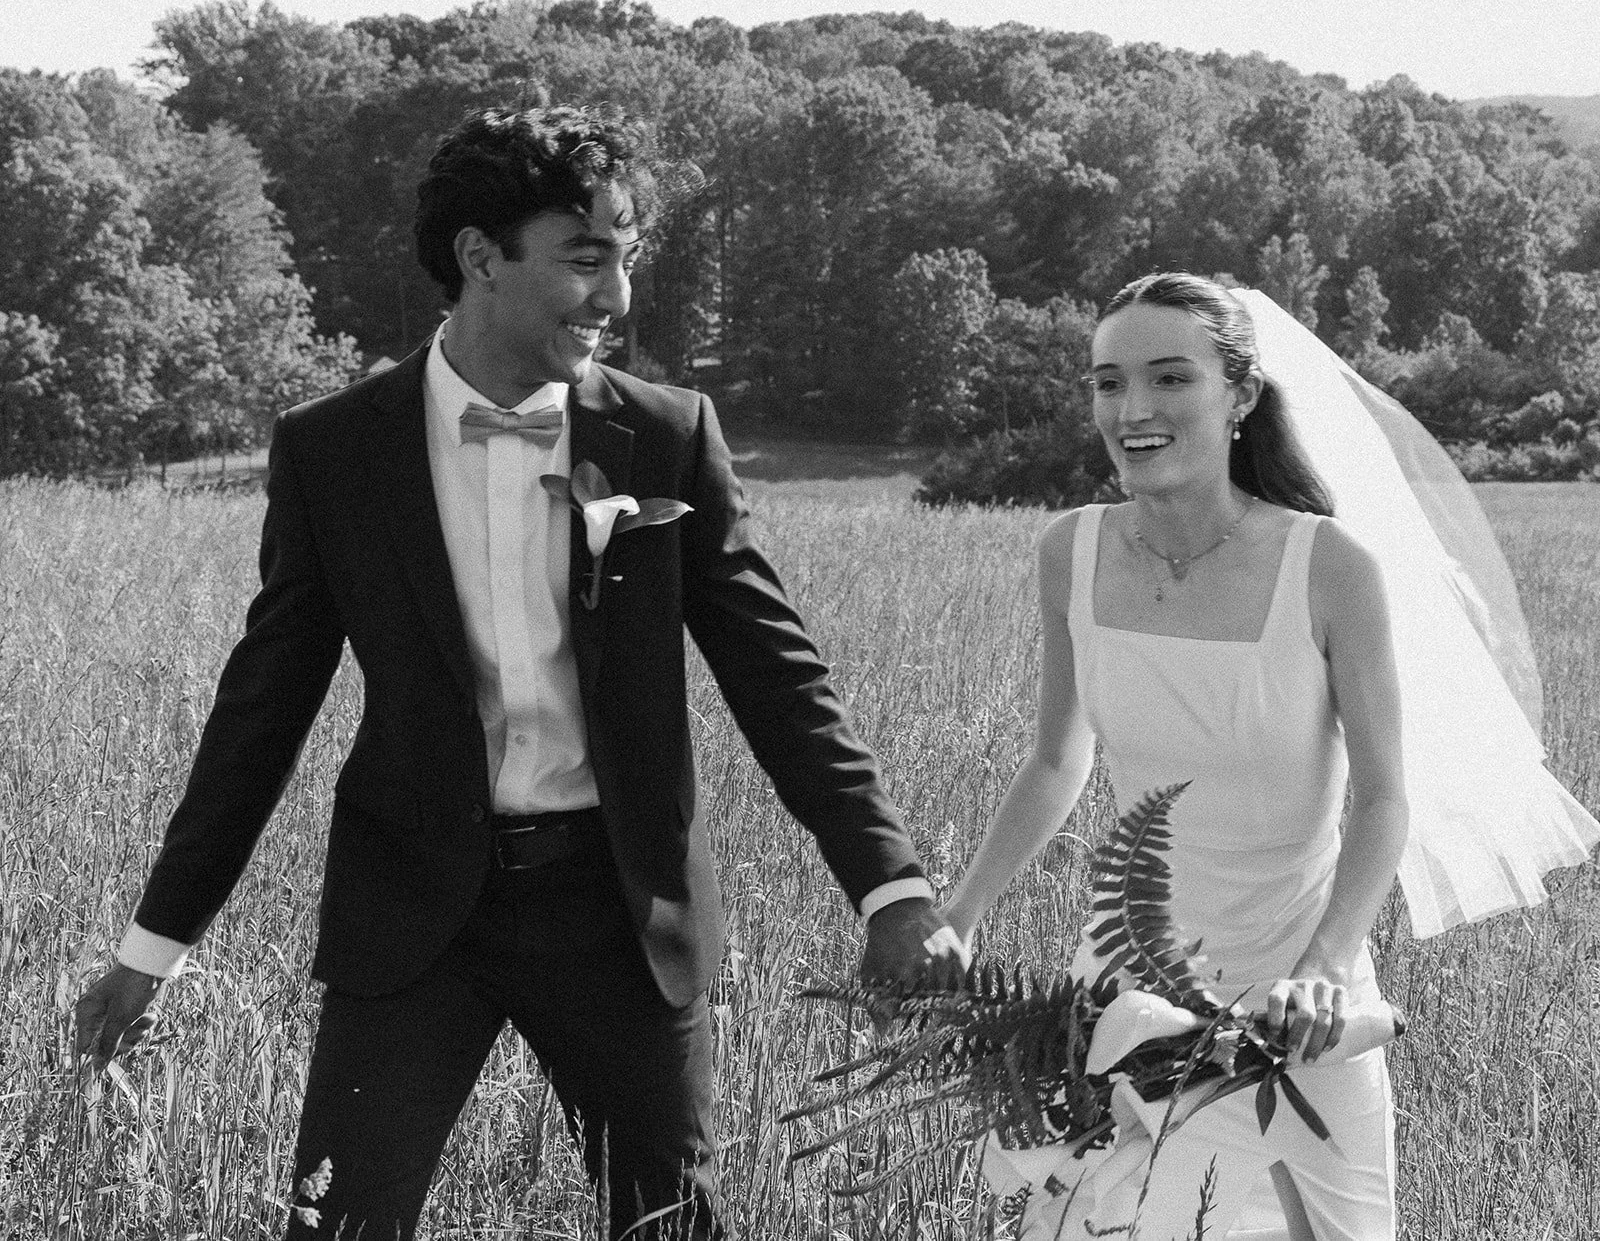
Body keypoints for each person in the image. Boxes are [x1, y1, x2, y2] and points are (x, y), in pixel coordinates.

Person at [72, 105, 962, 1240]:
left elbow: (778, 676)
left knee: (671, 1230)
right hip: (413, 919)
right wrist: (153, 950)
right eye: (586, 259)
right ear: (478, 257)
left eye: (626, 260)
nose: (618, 298)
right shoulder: (334, 450)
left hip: (619, 909)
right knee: (333, 1229)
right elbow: (261, 712)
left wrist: (891, 889)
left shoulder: (667, 434)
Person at [944, 272, 1414, 1240]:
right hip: (1131, 1010)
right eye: (1107, 384)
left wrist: (1324, 967)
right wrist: (961, 912)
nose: (1132, 410)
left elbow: (1382, 801)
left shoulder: (1329, 569)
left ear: (1239, 396)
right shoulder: (1067, 552)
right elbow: (1053, 763)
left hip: (1301, 1020)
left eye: (1168, 379)